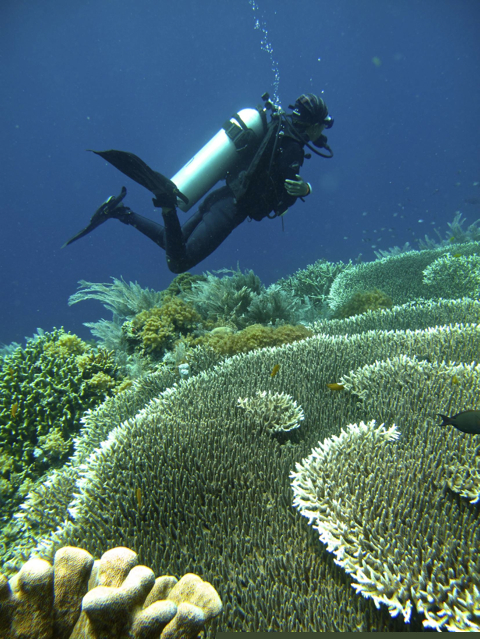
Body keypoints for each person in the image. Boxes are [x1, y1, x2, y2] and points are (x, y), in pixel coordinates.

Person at [64, 93, 334, 273]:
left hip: (219, 197)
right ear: (312, 125)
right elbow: (283, 196)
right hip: (232, 209)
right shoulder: (292, 149)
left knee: (173, 242)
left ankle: (119, 212)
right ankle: (166, 203)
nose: (322, 131)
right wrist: (306, 189)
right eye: (322, 125)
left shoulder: (278, 127)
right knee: (179, 263)